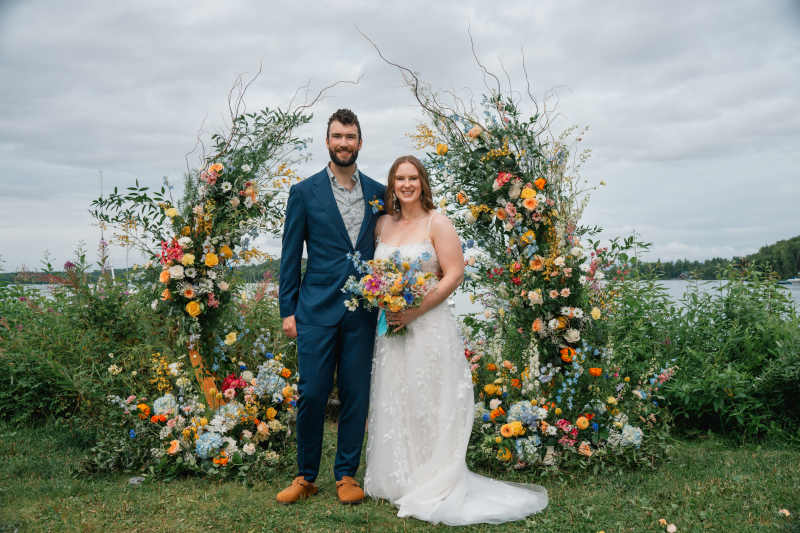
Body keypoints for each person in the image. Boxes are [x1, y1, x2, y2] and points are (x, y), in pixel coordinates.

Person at [364, 155, 548, 525]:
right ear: (392, 184)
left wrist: (415, 310)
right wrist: (385, 299)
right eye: (400, 178)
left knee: (430, 399)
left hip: (428, 327)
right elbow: (376, 275)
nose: (406, 184)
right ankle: (401, 475)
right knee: (397, 397)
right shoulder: (382, 224)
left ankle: (433, 478)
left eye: (413, 178)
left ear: (423, 183)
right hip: (392, 328)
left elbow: (454, 274)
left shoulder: (438, 222)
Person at [277, 109, 386, 505]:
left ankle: (346, 476)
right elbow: (290, 256)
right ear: (327, 141)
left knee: (356, 394)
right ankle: (305, 476)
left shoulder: (378, 192)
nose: (344, 142)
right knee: (312, 393)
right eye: (337, 136)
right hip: (315, 310)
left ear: (360, 141)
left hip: (363, 313)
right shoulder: (304, 193)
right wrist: (287, 310)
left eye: (351, 136)